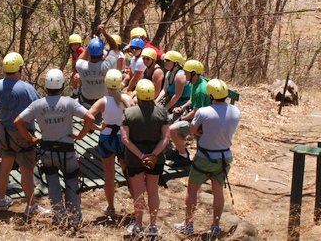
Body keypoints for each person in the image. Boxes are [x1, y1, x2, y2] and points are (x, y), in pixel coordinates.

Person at [15, 69, 87, 227]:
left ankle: (59, 217)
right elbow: (89, 117)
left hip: (48, 151)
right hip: (67, 151)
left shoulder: (37, 105)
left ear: (46, 87)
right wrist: (81, 135)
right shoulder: (69, 102)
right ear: (62, 86)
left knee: (53, 187)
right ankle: (75, 219)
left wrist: (31, 138)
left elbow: (18, 122)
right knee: (72, 184)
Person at [173, 79, 240, 238]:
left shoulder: (203, 112)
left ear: (211, 95)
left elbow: (193, 129)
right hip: (224, 157)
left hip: (204, 157)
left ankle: (188, 225)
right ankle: (216, 226)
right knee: (218, 192)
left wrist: (203, 134)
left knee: (192, 190)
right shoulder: (235, 111)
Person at [0, 52, 47, 216]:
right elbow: (39, 106)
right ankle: (31, 207)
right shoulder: (26, 88)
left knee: (5, 167)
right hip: (23, 134)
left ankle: (2, 200)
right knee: (26, 171)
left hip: (5, 132)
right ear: (20, 68)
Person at [76, 69, 132, 217]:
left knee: (109, 175)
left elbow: (86, 118)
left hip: (107, 138)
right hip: (123, 138)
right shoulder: (128, 100)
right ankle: (136, 205)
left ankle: (111, 207)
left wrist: (98, 127)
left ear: (106, 84)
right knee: (128, 173)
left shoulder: (103, 101)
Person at [120, 79, 170, 237]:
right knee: (153, 191)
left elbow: (125, 139)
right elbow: (166, 139)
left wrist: (141, 156)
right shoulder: (162, 112)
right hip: (156, 156)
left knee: (139, 192)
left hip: (135, 158)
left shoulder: (129, 113)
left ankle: (139, 225)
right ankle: (153, 226)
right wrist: (154, 155)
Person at [169, 59, 210, 167]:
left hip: (200, 122)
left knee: (172, 129)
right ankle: (173, 152)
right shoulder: (194, 83)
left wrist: (182, 119)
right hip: (192, 114)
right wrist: (182, 107)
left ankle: (183, 156)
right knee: (166, 120)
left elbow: (197, 112)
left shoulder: (201, 89)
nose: (183, 74)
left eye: (186, 72)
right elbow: (192, 100)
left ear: (193, 73)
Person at [75, 25, 122, 119]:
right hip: (103, 99)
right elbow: (114, 47)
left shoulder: (81, 66)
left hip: (86, 99)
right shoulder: (107, 65)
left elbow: (80, 59)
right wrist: (105, 33)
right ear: (102, 53)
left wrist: (90, 45)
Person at [155, 50, 190, 115]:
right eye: (165, 60)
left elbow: (177, 96)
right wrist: (156, 101)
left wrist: (165, 109)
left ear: (176, 63)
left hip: (180, 107)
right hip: (170, 104)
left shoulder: (180, 76)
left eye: (168, 60)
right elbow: (164, 90)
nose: (165, 62)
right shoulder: (168, 73)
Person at [68, 34, 84, 98]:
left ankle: (81, 92)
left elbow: (79, 62)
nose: (73, 46)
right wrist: (73, 70)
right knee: (73, 77)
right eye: (72, 45)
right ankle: (75, 92)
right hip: (78, 68)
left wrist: (74, 71)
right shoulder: (74, 52)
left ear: (79, 44)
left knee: (78, 78)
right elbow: (74, 62)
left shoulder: (81, 50)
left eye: (75, 44)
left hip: (83, 68)